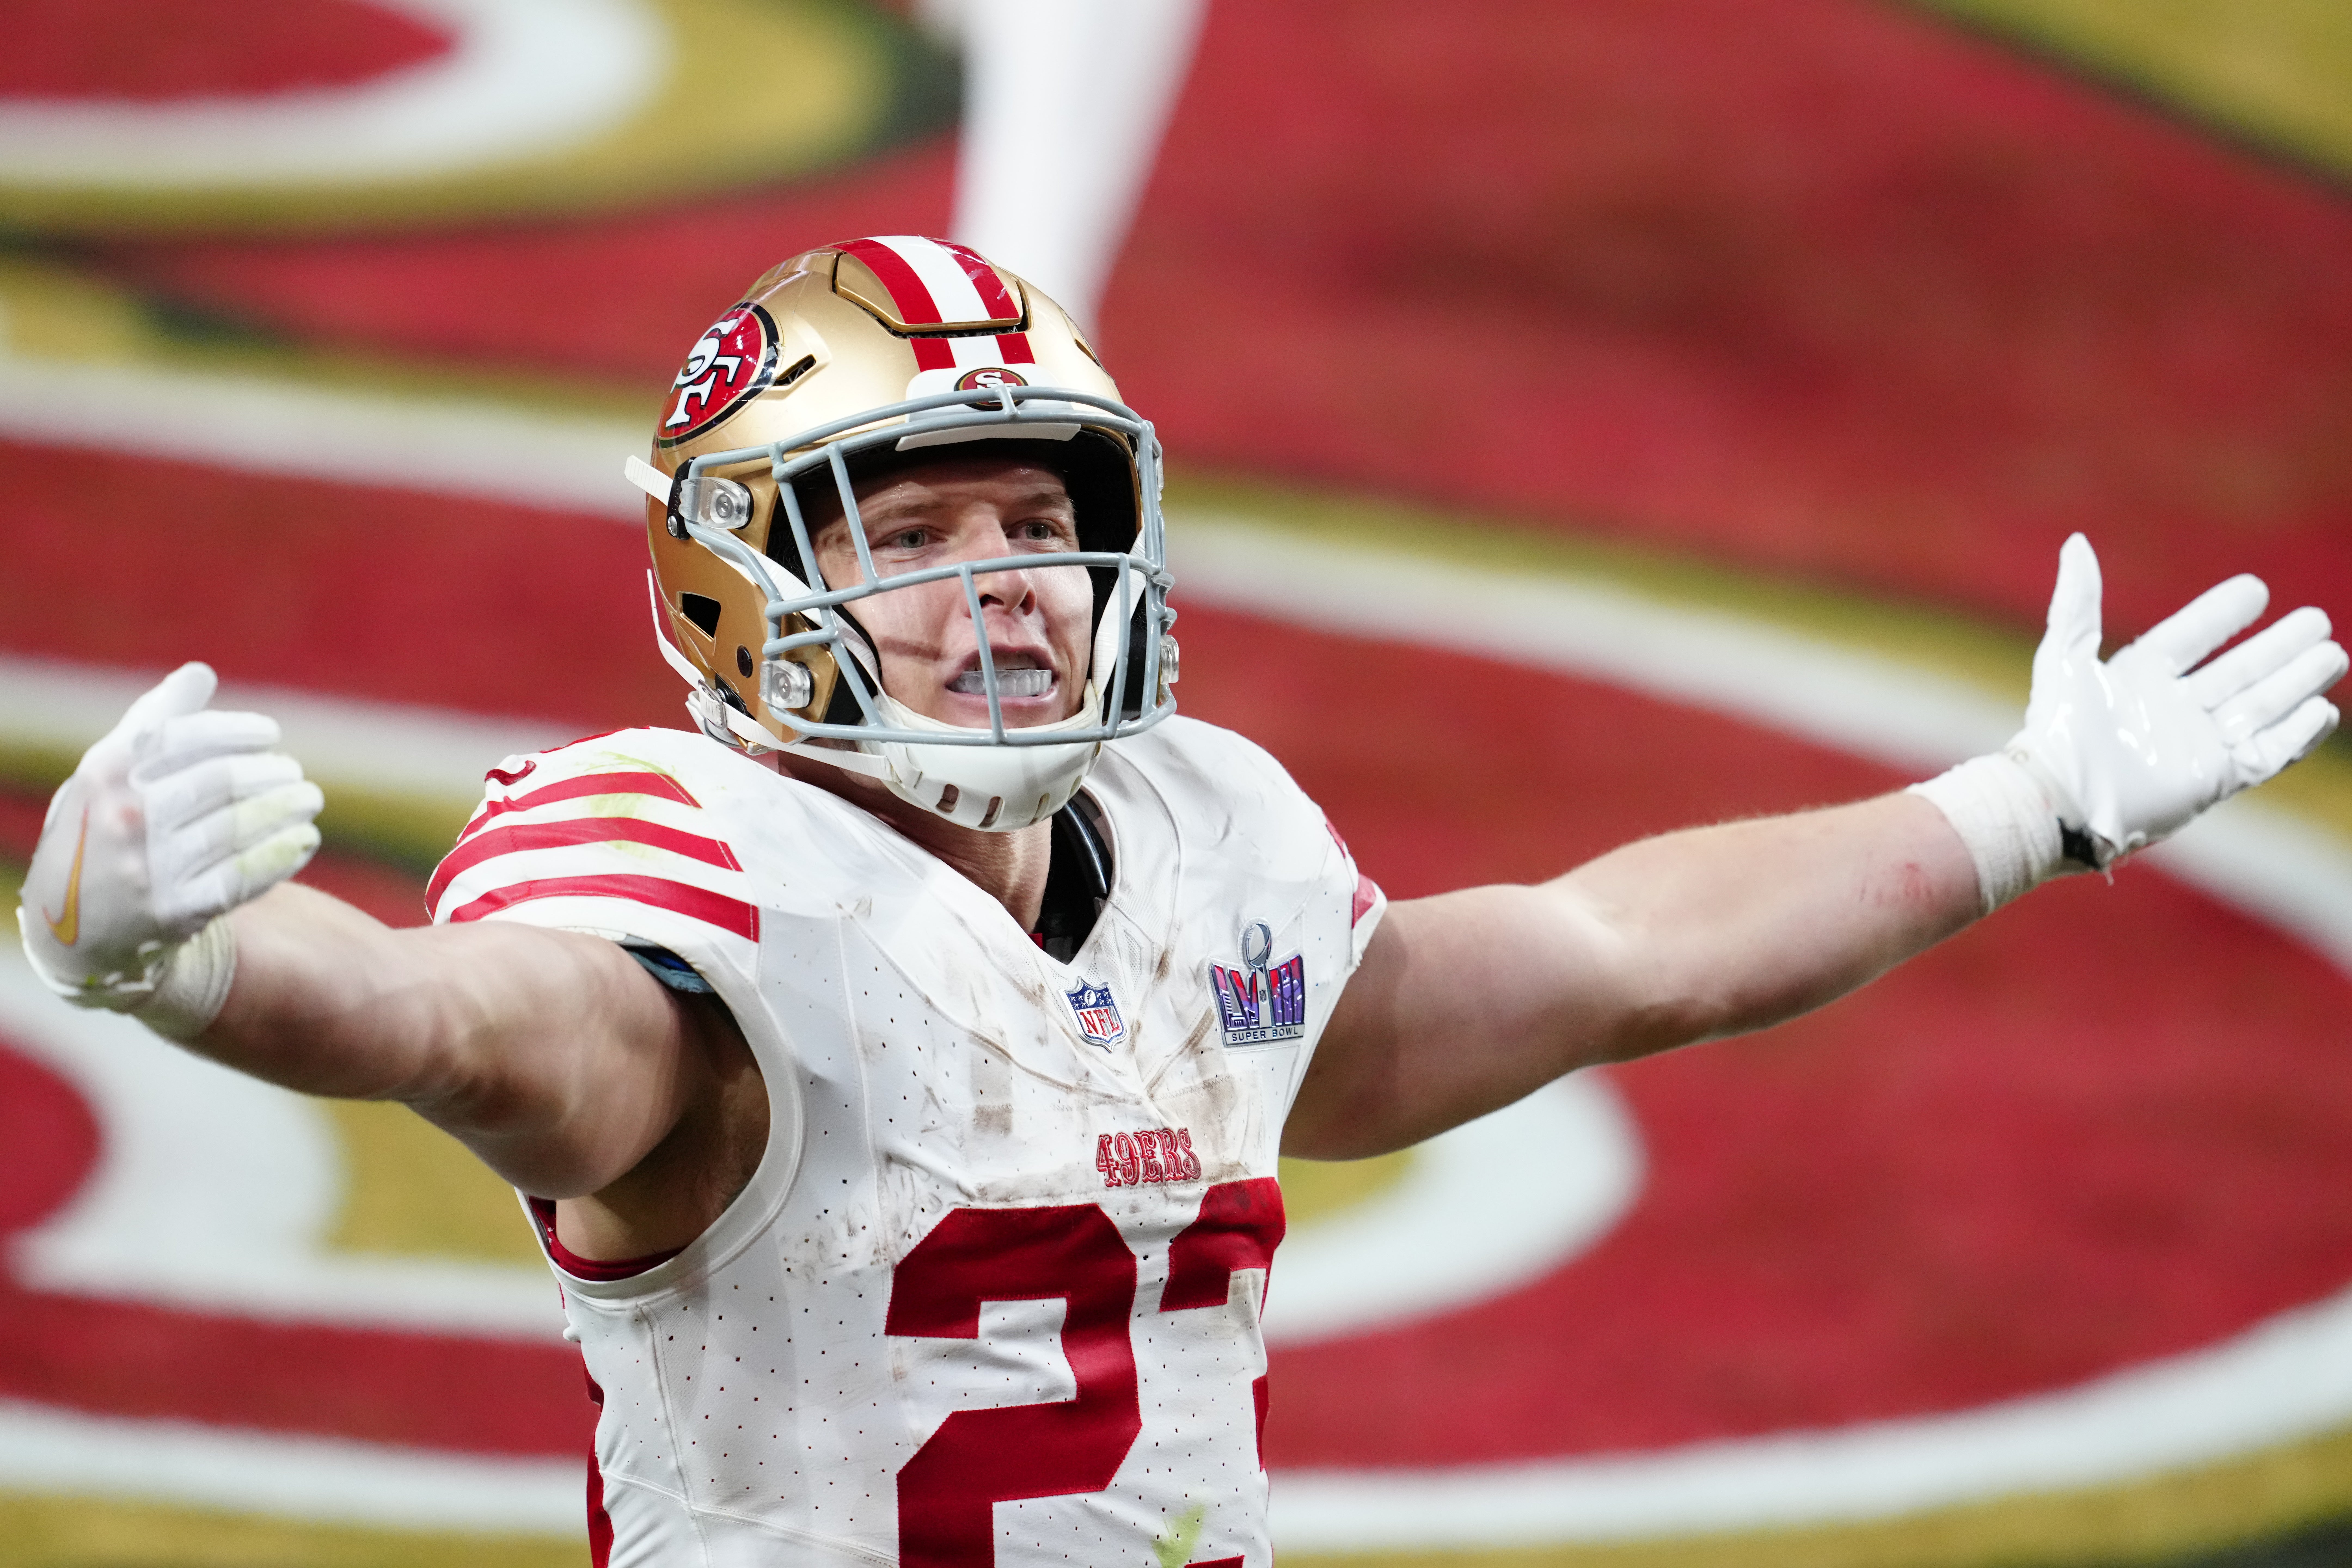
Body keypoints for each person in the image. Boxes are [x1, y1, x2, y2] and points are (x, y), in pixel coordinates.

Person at [17, 235, 2347, 1568]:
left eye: (1033, 521)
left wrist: (2023, 803)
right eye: (910, 542)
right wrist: (198, 963)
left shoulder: (1198, 844)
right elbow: (464, 1027)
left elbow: (1609, 951)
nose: (1001, 590)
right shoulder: (701, 896)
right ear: (733, 594)